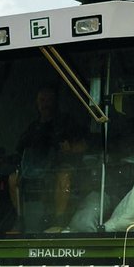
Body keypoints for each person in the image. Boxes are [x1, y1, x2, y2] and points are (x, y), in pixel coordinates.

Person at [9, 85, 88, 231]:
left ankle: (58, 221)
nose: (45, 104)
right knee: (13, 179)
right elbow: (19, 151)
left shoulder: (67, 122)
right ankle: (20, 219)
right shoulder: (33, 127)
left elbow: (84, 145)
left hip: (59, 166)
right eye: (42, 100)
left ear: (55, 102)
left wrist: (70, 148)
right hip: (34, 169)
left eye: (49, 100)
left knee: (63, 177)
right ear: (37, 103)